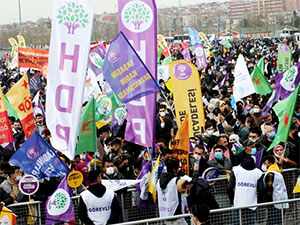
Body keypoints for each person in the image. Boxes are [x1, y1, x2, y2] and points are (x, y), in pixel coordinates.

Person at [228, 156, 265, 225]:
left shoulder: (236, 170)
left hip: (238, 203)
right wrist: (258, 202)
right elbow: (262, 189)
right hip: (252, 203)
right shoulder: (258, 172)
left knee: (236, 222)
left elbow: (230, 188)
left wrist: (232, 200)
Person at [156, 158, 188, 225]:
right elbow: (183, 196)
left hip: (164, 214)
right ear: (174, 170)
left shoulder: (159, 181)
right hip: (176, 215)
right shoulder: (176, 180)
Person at [261, 155, 289, 225]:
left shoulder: (270, 173)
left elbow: (269, 189)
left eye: (264, 162)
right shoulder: (278, 172)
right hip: (283, 201)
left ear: (268, 163)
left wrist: (268, 202)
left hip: (274, 203)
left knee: (272, 222)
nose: (263, 164)